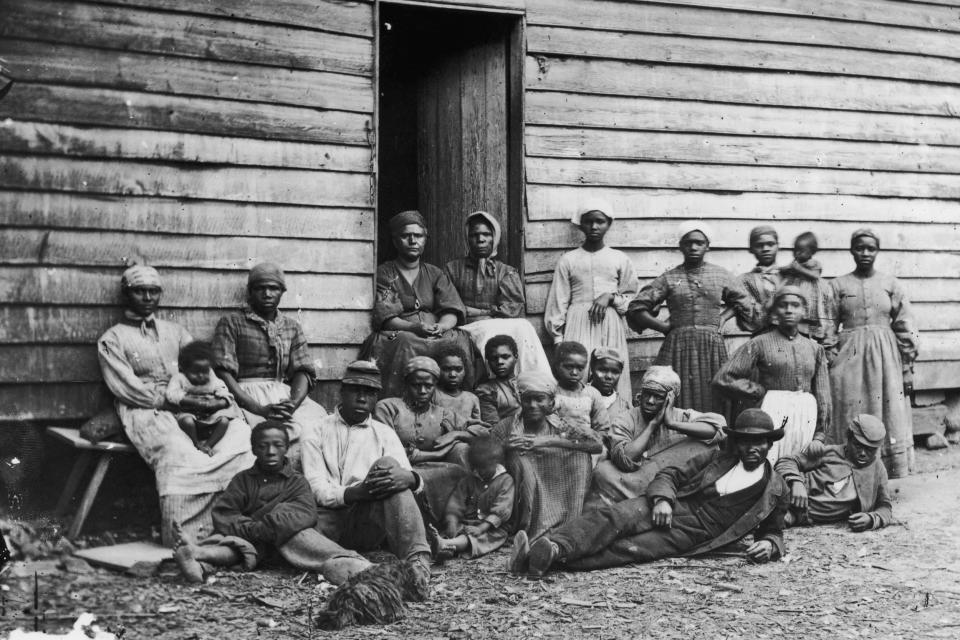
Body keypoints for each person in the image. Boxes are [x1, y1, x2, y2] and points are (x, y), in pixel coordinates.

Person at [509, 408, 789, 577]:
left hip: (696, 533)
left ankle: (544, 560)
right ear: (737, 443)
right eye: (746, 442)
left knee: (630, 549)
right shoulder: (716, 458)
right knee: (615, 517)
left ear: (769, 445)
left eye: (760, 442)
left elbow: (774, 531)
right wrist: (664, 500)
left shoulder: (775, 488)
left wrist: (770, 545)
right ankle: (556, 546)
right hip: (674, 506)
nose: (753, 448)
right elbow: (670, 474)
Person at [98, 265, 253, 546]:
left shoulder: (177, 332)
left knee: (240, 438)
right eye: (139, 291)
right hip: (147, 408)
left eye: (153, 291)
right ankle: (187, 538)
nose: (147, 297)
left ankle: (234, 527)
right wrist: (168, 402)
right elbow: (124, 387)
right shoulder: (112, 339)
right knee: (178, 451)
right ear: (126, 295)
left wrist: (221, 397)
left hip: (194, 403)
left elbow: (205, 370)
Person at [300, 360, 433, 589]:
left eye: (370, 393)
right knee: (293, 533)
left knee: (389, 465)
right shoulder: (316, 429)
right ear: (342, 392)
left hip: (367, 521)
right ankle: (356, 564)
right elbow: (316, 487)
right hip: (328, 521)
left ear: (376, 398)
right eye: (355, 390)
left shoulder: (384, 433)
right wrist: (355, 492)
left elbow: (402, 477)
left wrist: (412, 479)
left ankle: (417, 565)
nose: (362, 398)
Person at [627, 221, 755, 417]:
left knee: (715, 391)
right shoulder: (670, 277)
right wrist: (662, 327)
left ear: (707, 246)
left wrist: (722, 318)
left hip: (711, 345)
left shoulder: (720, 274)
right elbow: (636, 308)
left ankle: (714, 439)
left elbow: (743, 301)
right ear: (681, 246)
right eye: (688, 243)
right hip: (678, 346)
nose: (694, 247)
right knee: (674, 392)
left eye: (699, 243)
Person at [172, 421, 325, 581]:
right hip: (246, 538)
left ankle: (197, 553)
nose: (270, 452)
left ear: (287, 448)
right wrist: (252, 530)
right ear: (253, 449)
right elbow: (225, 513)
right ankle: (196, 558)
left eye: (277, 445)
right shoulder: (243, 480)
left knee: (244, 549)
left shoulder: (297, 482)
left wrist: (265, 528)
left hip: (280, 543)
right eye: (263, 446)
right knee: (233, 545)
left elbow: (306, 513)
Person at [212, 263, 327, 468]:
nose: (267, 294)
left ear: (282, 291)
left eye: (273, 288)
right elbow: (223, 371)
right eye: (260, 288)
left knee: (315, 429)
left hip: (282, 395)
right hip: (243, 395)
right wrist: (257, 409)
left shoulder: (291, 326)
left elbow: (303, 370)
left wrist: (292, 404)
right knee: (244, 439)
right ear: (250, 292)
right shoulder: (232, 322)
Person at [828, 229, 919, 478]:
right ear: (851, 250)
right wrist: (830, 357)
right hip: (849, 357)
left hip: (885, 357)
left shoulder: (891, 284)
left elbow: (905, 325)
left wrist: (907, 367)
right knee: (851, 409)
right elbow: (827, 325)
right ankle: (849, 472)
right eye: (859, 248)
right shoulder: (837, 285)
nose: (865, 253)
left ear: (877, 251)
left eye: (871, 248)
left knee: (887, 409)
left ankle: (884, 474)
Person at [361, 210, 478, 398]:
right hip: (402, 330)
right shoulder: (386, 273)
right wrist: (415, 327)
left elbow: (452, 309)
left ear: (425, 239)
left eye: (418, 236)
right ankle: (401, 401)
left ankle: (457, 402)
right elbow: (387, 318)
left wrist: (441, 326)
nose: (412, 241)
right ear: (395, 240)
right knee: (405, 342)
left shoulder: (435, 273)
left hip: (433, 329)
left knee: (457, 340)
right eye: (406, 236)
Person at [713, 286, 831, 462]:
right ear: (775, 311)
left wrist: (820, 435)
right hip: (772, 411)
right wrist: (757, 391)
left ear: (804, 311)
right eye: (783, 305)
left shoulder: (815, 348)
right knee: (772, 462)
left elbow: (823, 396)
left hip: (806, 415)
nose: (789, 310)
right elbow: (723, 378)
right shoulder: (759, 343)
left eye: (795, 305)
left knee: (800, 464)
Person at [586, 366, 725, 509]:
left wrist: (672, 423)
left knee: (705, 445)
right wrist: (652, 425)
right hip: (634, 481)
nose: (650, 401)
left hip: (672, 482)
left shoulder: (682, 417)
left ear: (671, 399)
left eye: (658, 396)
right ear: (641, 394)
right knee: (603, 472)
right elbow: (625, 460)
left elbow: (719, 429)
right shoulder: (625, 419)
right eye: (647, 394)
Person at [544, 200, 637, 400]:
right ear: (580, 224)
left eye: (600, 221)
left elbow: (632, 300)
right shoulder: (569, 260)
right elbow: (558, 301)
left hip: (609, 323)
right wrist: (558, 340)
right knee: (579, 372)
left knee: (610, 372)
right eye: (588, 222)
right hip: (578, 322)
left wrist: (611, 298)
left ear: (609, 223)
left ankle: (615, 422)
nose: (594, 227)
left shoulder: (619, 258)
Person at [492, 371, 602, 540]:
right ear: (520, 400)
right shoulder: (507, 427)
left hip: (556, 480)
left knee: (581, 458)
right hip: (523, 492)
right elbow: (486, 456)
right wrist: (504, 448)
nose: (533, 405)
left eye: (539, 399)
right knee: (519, 460)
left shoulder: (562, 424)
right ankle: (530, 529)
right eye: (527, 399)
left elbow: (596, 445)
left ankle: (567, 527)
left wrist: (547, 441)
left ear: (551, 401)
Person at [374, 357, 488, 520]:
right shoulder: (389, 407)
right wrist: (437, 454)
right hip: (401, 469)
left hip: (436, 469)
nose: (422, 391)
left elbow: (484, 432)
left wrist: (456, 434)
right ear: (406, 384)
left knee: (462, 449)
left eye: (428, 386)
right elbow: (387, 449)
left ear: (435, 386)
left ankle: (462, 515)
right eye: (416, 385)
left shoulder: (443, 414)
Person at [445, 210, 552, 377]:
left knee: (524, 326)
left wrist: (483, 312)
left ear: (494, 238)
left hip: (497, 322)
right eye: (475, 235)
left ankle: (536, 381)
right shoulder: (452, 269)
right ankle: (497, 384)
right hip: (467, 326)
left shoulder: (505, 271)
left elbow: (513, 308)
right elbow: (450, 304)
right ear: (467, 238)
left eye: (486, 235)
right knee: (491, 334)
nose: (480, 239)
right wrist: (479, 313)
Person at [776, 414, 892, 532]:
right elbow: (786, 461)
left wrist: (871, 519)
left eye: (870, 449)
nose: (863, 453)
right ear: (849, 439)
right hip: (786, 499)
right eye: (858, 446)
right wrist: (796, 482)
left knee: (773, 521)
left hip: (800, 517)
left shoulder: (878, 468)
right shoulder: (830, 452)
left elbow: (885, 506)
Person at [429, 435, 515, 561]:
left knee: (477, 539)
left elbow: (501, 510)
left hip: (491, 528)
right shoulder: (468, 480)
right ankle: (446, 546)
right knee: (453, 531)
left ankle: (446, 545)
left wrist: (481, 528)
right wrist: (451, 521)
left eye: (485, 468)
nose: (481, 472)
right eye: (478, 468)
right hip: (466, 524)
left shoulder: (505, 481)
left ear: (496, 463)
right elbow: (456, 502)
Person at [166, 340, 241, 456]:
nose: (201, 376)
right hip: (189, 413)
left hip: (210, 415)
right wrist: (193, 401)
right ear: (184, 369)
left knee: (224, 421)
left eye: (205, 372)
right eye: (195, 372)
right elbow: (171, 394)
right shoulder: (179, 378)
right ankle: (196, 443)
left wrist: (219, 403)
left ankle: (208, 445)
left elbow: (223, 389)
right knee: (187, 422)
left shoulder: (212, 378)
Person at [721, 225, 781, 334]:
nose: (765, 249)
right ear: (751, 249)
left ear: (778, 246)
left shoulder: (789, 276)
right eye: (759, 245)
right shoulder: (744, 280)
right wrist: (723, 317)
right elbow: (739, 303)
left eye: (770, 244)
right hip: (761, 336)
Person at [780, 232, 835, 345]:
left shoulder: (813, 264)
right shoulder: (795, 263)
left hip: (810, 294)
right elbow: (786, 269)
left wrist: (798, 268)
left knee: (809, 317)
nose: (797, 253)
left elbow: (815, 275)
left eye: (801, 251)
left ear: (811, 252)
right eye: (795, 250)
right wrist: (785, 269)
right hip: (797, 291)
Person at [552, 341, 612, 438]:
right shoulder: (552, 392)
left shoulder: (592, 394)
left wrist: (595, 439)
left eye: (580, 368)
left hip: (587, 445)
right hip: (558, 444)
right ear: (558, 366)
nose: (574, 372)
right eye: (569, 367)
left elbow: (602, 428)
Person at [475, 335, 522, 426]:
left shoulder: (530, 382)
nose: (500, 362)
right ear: (488, 362)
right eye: (494, 358)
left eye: (505, 357)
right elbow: (493, 425)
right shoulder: (486, 390)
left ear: (515, 357)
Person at [433, 344, 482, 421]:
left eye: (458, 369)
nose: (452, 375)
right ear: (438, 370)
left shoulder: (472, 399)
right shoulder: (433, 395)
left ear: (465, 371)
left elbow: (478, 427)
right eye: (446, 369)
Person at [589, 347, 632, 419]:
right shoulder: (578, 398)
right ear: (592, 368)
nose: (609, 377)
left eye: (615, 372)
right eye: (602, 370)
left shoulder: (625, 407)